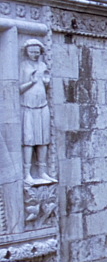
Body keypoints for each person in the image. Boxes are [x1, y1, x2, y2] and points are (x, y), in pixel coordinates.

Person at [19, 39, 54, 185]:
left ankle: (42, 171)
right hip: (28, 107)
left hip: (42, 106)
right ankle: (27, 173)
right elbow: (19, 88)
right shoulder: (24, 65)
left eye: (37, 52)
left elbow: (45, 87)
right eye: (32, 52)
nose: (34, 54)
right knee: (28, 140)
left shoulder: (43, 65)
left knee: (43, 140)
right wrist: (31, 82)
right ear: (26, 52)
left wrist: (45, 83)